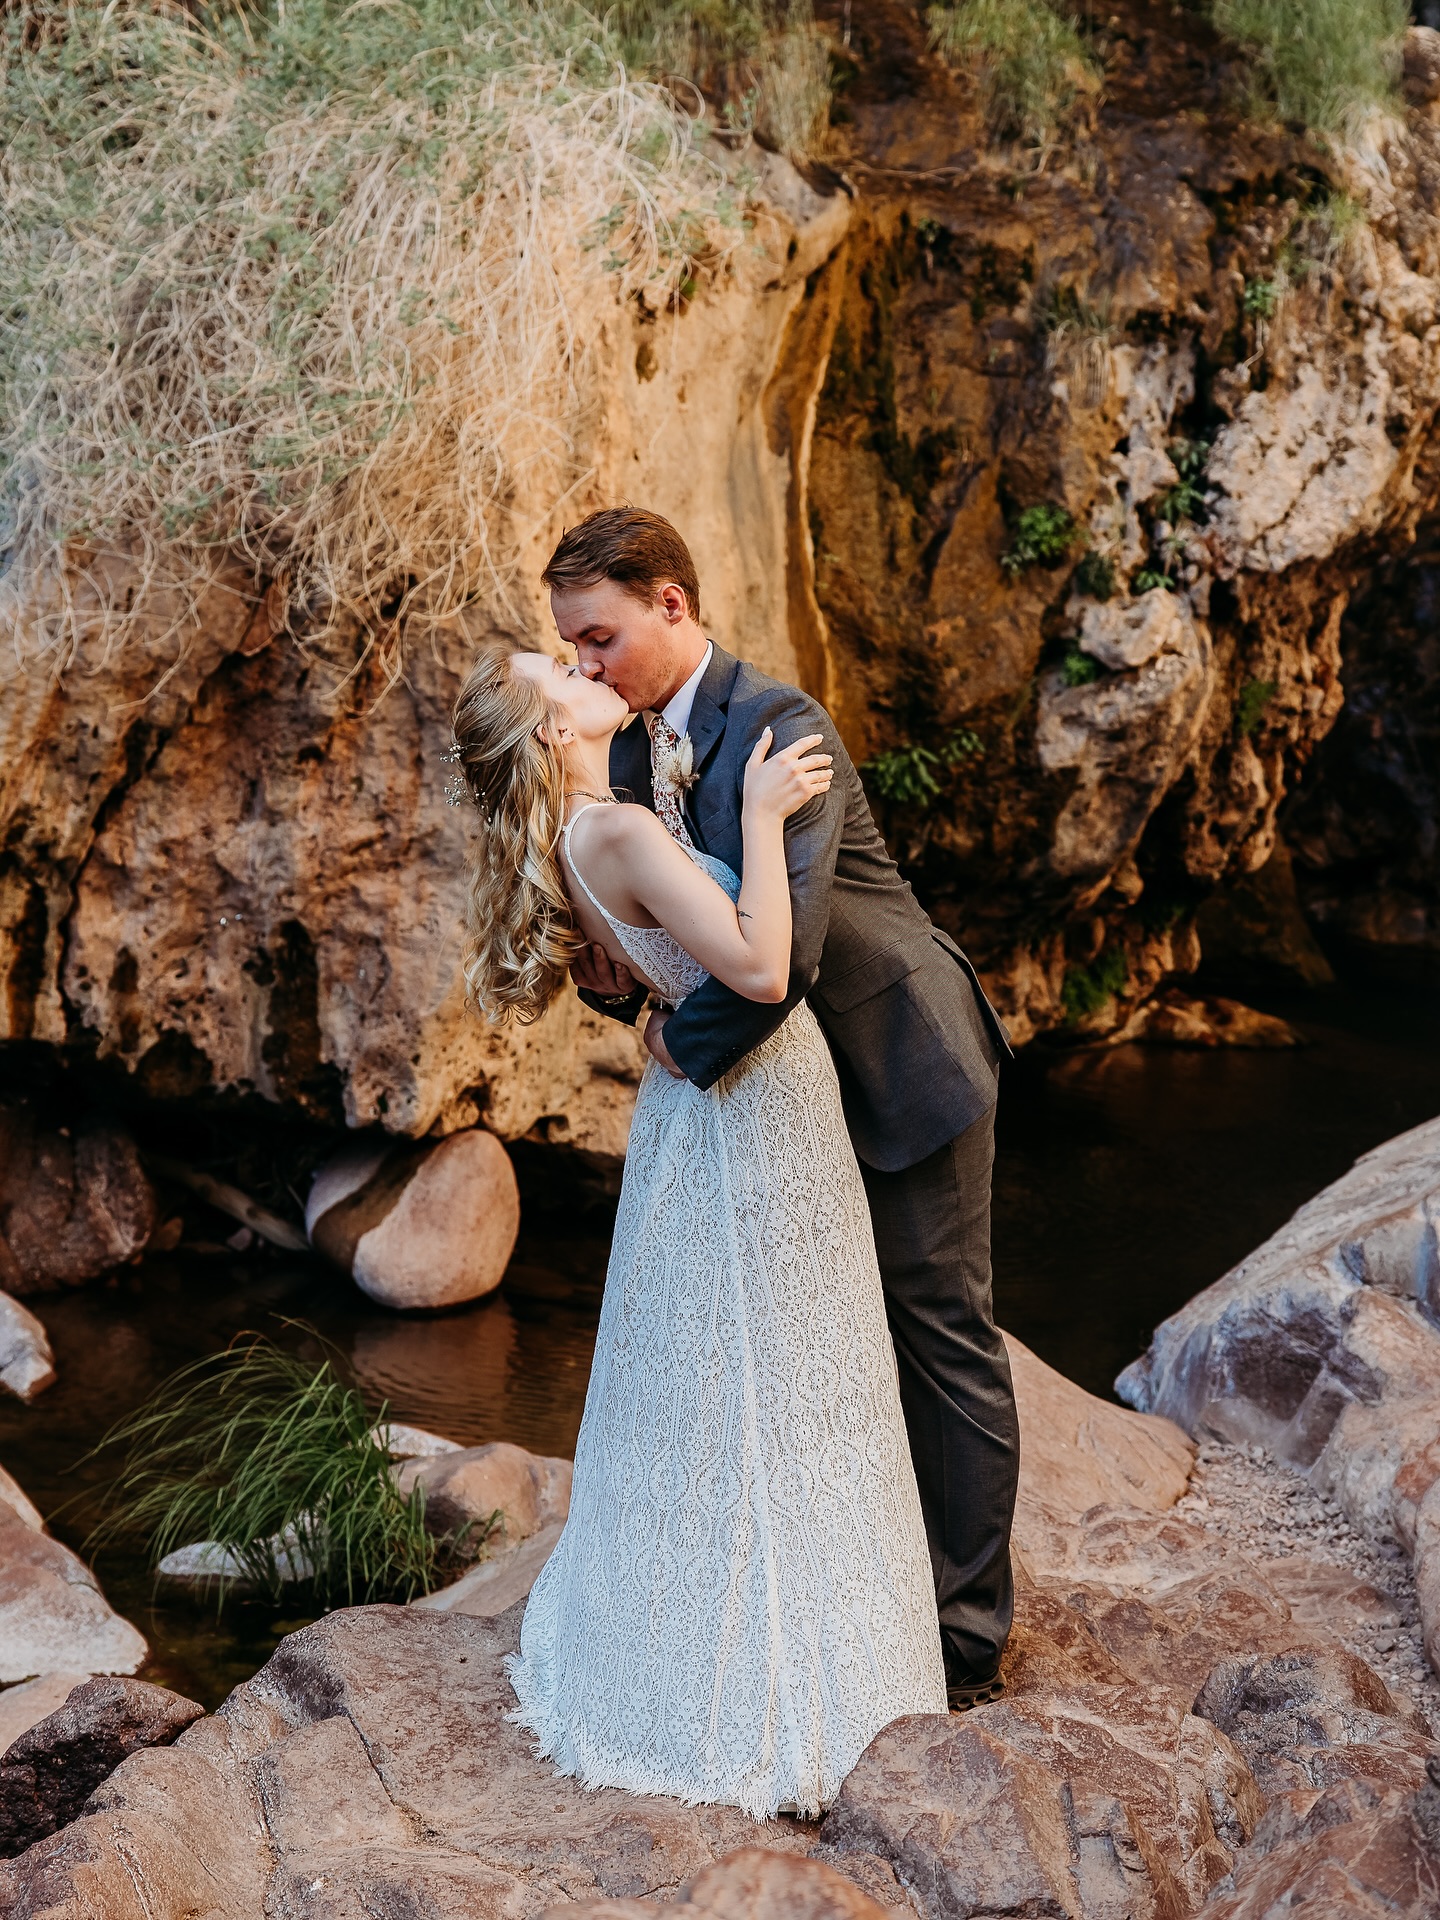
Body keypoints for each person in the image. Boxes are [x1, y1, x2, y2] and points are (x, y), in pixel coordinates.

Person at [450, 636, 946, 1820]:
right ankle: (795, 1696)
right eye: (560, 676)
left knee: (721, 1383)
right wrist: (767, 819)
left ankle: (734, 1653)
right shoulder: (614, 833)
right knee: (791, 1375)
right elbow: (766, 967)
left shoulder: (580, 837)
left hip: (697, 1113)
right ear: (556, 734)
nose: (587, 673)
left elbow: (653, 980)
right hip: (754, 1115)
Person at [547, 507, 1019, 1710]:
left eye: (600, 638)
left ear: (673, 604)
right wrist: (626, 999)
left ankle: (965, 1643)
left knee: (941, 1339)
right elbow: (671, 951)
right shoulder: (621, 759)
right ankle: (854, 1598)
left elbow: (784, 956)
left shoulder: (778, 726)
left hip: (903, 1062)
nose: (587, 667)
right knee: (838, 1352)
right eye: (571, 649)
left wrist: (667, 1040)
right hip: (787, 1104)